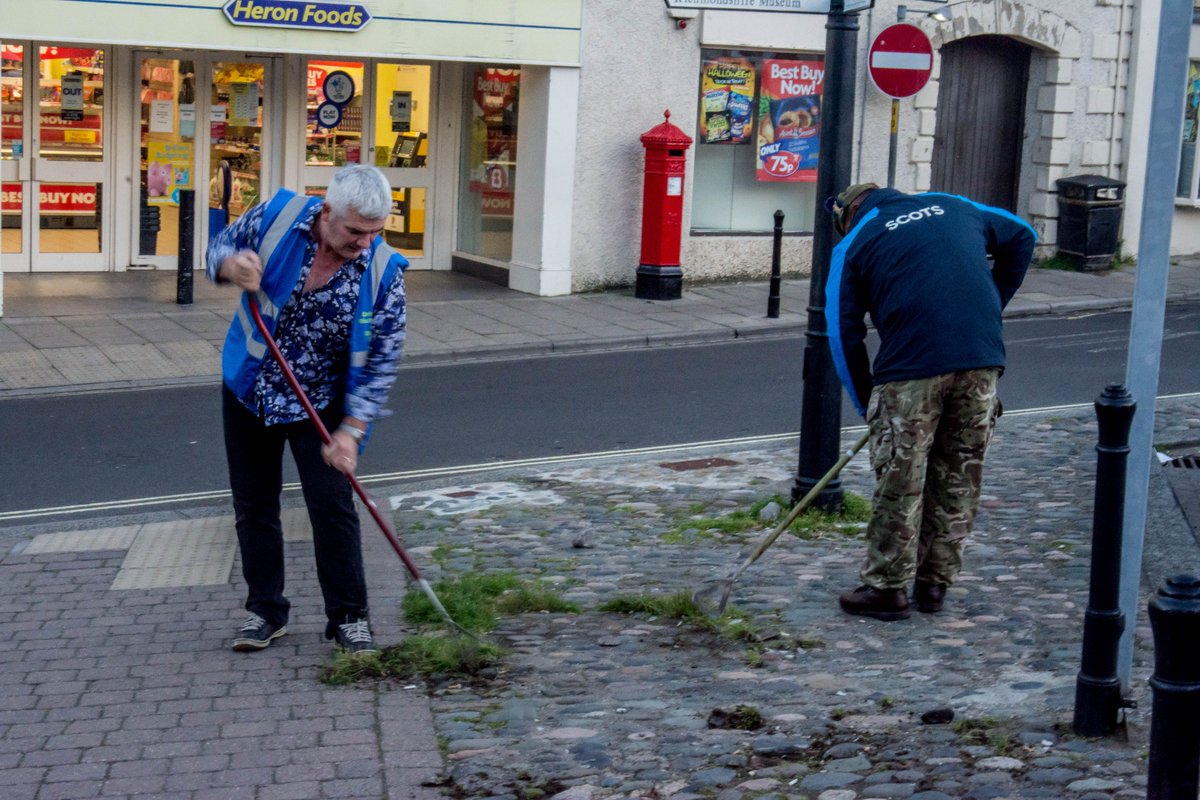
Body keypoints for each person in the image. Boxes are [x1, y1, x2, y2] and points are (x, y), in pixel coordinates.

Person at [206, 165, 408, 653]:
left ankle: (348, 617)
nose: (364, 242)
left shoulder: (383, 272)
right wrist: (232, 266)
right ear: (326, 212)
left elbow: (381, 361)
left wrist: (351, 433)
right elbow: (217, 248)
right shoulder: (276, 216)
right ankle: (265, 612)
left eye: (374, 233)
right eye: (355, 231)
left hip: (321, 403)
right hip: (251, 389)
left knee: (333, 508)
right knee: (254, 506)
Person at [825, 183, 1036, 620]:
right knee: (959, 474)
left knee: (901, 481)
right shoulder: (955, 204)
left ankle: (886, 589)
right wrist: (992, 304)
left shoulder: (854, 242)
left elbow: (842, 334)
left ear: (847, 214)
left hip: (909, 370)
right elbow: (1023, 235)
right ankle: (934, 584)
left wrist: (869, 404)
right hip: (980, 360)